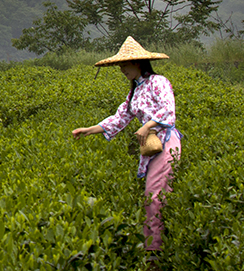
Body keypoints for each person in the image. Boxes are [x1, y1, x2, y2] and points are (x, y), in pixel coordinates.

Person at [71, 37, 180, 251]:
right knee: (156, 193)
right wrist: (89, 130)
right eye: (120, 65)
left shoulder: (159, 82)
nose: (122, 69)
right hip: (150, 143)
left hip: (165, 141)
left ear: (138, 63)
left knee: (154, 194)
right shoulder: (135, 91)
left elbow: (169, 110)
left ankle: (154, 249)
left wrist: (147, 125)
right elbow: (119, 118)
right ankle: (160, 242)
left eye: (125, 64)